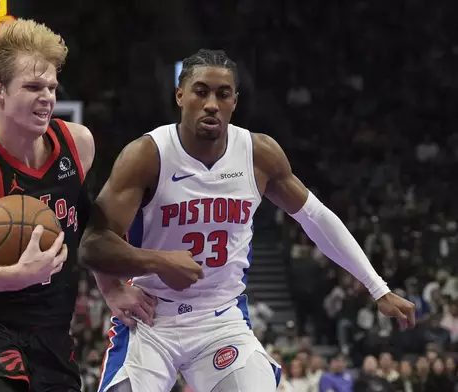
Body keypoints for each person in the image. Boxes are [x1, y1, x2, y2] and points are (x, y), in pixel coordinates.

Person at [78, 49, 417, 392]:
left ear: (234, 102)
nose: (212, 103)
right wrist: (150, 266)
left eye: (223, 94)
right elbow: (93, 243)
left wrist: (378, 288)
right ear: (180, 95)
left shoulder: (259, 154)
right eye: (201, 91)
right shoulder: (148, 154)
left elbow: (316, 218)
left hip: (220, 319)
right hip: (151, 318)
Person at [0, 19, 151, 392]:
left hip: (53, 334)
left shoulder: (78, 143)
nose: (47, 96)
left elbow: (85, 227)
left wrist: (112, 289)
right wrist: (13, 276)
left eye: (51, 86)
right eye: (33, 86)